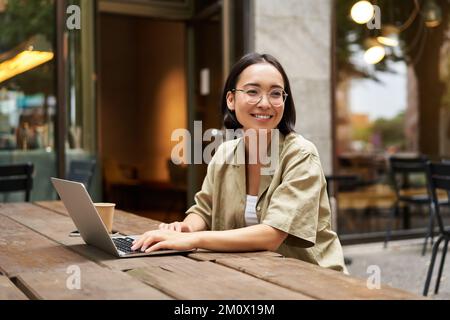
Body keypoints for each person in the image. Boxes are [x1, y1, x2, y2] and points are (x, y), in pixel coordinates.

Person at [132, 53, 347, 272]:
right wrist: (185, 228)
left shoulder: (301, 154)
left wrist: (193, 240)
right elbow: (204, 209)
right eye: (252, 91)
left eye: (275, 93)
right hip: (249, 273)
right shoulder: (224, 152)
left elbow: (271, 235)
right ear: (231, 100)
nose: (264, 103)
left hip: (310, 278)